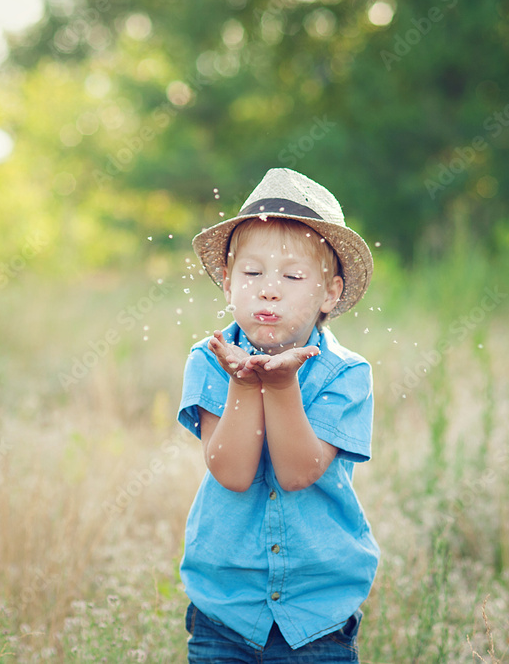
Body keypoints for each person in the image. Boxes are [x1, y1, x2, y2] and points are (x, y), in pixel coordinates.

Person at [177, 167, 380, 662]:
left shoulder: (345, 374)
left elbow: (296, 473)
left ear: (329, 294)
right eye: (252, 273)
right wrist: (245, 381)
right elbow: (232, 471)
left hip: (317, 614)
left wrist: (281, 384)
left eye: (292, 276)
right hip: (225, 610)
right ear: (227, 283)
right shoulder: (209, 359)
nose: (269, 289)